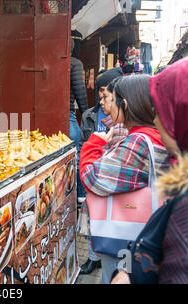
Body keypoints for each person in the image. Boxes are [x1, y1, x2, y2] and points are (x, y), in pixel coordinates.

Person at [112, 54, 188, 284]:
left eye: (162, 110)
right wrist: (127, 271)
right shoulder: (186, 178)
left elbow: (96, 178)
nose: (157, 120)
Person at [79, 74, 170, 284]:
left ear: (125, 104)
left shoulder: (138, 141)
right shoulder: (153, 134)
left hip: (125, 236)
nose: (106, 105)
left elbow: (92, 178)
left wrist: (93, 144)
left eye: (111, 99)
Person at [78, 68, 126, 275]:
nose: (102, 100)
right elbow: (82, 144)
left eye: (106, 94)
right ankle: (92, 257)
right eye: (100, 93)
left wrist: (92, 152)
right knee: (91, 225)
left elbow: (94, 176)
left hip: (102, 183)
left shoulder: (122, 127)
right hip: (95, 177)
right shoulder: (90, 115)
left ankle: (102, 260)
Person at [69, 31, 89, 202]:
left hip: (47, 117)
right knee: (77, 154)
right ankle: (80, 197)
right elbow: (80, 91)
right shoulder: (75, 63)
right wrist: (86, 113)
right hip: (67, 116)